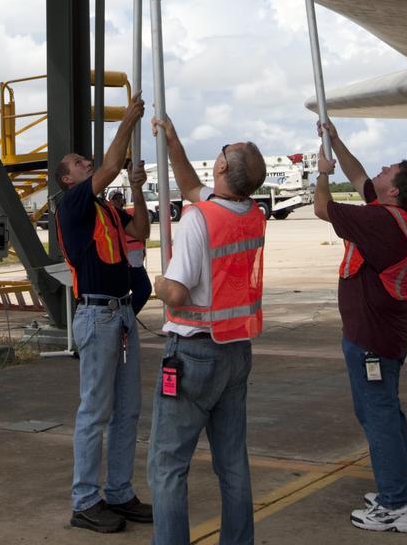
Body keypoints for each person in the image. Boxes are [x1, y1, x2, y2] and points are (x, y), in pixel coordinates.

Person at [148, 118, 266, 545]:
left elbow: (177, 292)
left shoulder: (200, 219)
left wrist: (155, 282)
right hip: (236, 351)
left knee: (167, 465)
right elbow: (189, 186)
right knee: (232, 464)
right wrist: (174, 142)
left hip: (193, 353)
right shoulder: (253, 214)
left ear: (221, 167)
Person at [313, 120, 407, 535]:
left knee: (379, 418)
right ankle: (400, 489)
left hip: (371, 341)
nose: (379, 171)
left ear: (395, 190)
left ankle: (395, 503)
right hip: (385, 336)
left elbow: (322, 208)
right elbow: (359, 175)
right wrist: (336, 141)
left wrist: (322, 172)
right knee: (386, 415)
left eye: (388, 171)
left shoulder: (381, 225)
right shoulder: (402, 220)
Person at [54, 94, 152, 533]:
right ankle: (85, 499)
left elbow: (140, 230)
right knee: (95, 410)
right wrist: (128, 122)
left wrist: (135, 188)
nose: (86, 162)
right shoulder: (72, 204)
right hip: (97, 316)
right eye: (77, 161)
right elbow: (109, 166)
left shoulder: (106, 209)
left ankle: (118, 492)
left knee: (127, 409)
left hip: (123, 315)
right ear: (67, 179)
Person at [109, 183, 153, 314]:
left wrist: (144, 247)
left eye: (119, 198)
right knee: (140, 290)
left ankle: (126, 316)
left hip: (136, 262)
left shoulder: (130, 214)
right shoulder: (109, 218)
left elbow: (142, 231)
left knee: (143, 290)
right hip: (121, 264)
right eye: (114, 198)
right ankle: (125, 317)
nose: (118, 201)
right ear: (110, 202)